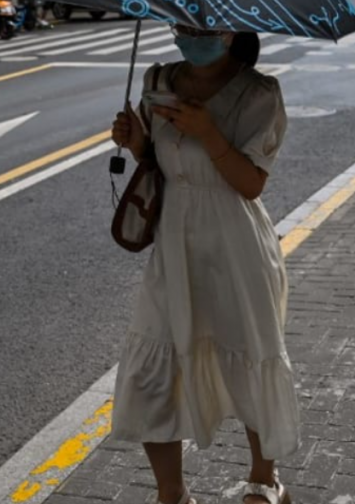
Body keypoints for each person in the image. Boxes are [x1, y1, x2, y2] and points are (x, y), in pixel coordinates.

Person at [110, 26, 297, 504]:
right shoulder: (159, 80)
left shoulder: (259, 93)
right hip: (173, 242)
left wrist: (208, 132)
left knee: (246, 354)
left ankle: (263, 480)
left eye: (205, 25)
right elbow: (164, 163)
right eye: (183, 24)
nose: (191, 34)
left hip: (235, 242)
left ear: (232, 31)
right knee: (152, 366)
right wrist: (136, 145)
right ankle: (171, 493)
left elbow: (251, 183)